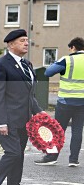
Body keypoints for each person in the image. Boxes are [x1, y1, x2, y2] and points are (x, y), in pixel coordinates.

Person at [0, 29, 42, 185]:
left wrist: (39, 113)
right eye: (22, 40)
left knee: (19, 157)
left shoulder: (27, 65)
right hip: (7, 120)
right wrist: (0, 121)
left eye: (27, 40)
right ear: (11, 44)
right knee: (13, 154)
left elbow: (28, 95)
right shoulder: (1, 64)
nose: (26, 43)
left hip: (24, 121)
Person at [36, 37, 84, 167]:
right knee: (77, 131)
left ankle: (52, 157)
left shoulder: (67, 59)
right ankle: (73, 160)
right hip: (82, 103)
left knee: (57, 130)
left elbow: (48, 72)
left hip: (65, 102)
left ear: (73, 47)